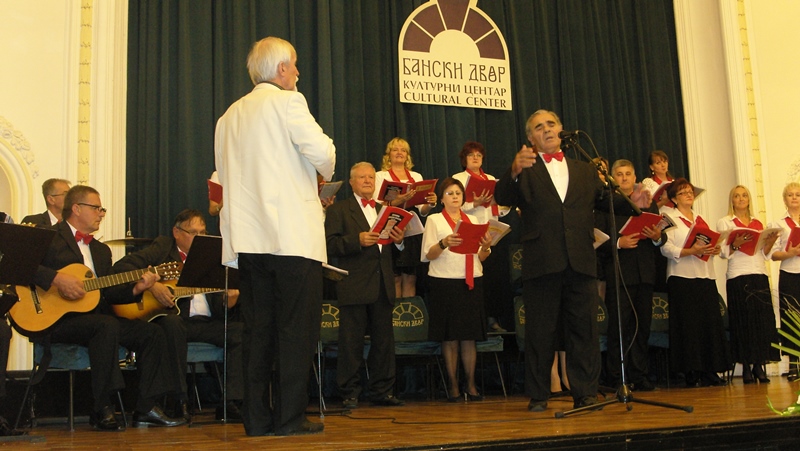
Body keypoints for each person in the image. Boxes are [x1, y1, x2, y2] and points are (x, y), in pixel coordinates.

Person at [214, 36, 335, 436]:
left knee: (257, 332)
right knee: (296, 332)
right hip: (292, 240)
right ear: (281, 69)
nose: (297, 72)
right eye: (294, 65)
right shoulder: (289, 102)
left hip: (249, 241)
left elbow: (223, 177)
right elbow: (324, 155)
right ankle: (289, 418)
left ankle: (256, 419)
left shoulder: (228, 116)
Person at [494, 109, 634, 412]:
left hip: (581, 259)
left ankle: (585, 393)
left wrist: (635, 203)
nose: (546, 129)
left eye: (551, 124)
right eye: (539, 127)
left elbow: (606, 200)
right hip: (542, 260)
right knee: (540, 331)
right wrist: (514, 169)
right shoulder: (525, 170)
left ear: (561, 129)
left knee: (584, 330)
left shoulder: (584, 170)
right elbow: (502, 195)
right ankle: (539, 394)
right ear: (530, 138)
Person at [30, 185, 186, 431]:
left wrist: (137, 288)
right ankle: (102, 406)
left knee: (152, 333)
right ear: (76, 208)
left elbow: (109, 294)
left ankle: (146, 407)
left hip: (97, 319)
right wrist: (56, 279)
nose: (101, 214)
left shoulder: (101, 251)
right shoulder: (49, 237)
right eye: (96, 208)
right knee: (106, 325)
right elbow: (21, 266)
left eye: (102, 209)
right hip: (56, 319)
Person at [107, 209, 244, 420]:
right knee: (172, 325)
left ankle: (231, 402)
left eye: (203, 232)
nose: (200, 237)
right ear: (176, 233)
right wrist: (152, 285)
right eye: (193, 232)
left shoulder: (212, 255)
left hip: (207, 322)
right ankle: (180, 400)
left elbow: (220, 306)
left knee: (240, 331)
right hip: (178, 321)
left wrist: (229, 301)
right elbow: (122, 267)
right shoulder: (163, 248)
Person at [325, 162, 406, 409]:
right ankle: (349, 392)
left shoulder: (385, 209)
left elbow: (392, 252)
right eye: (362, 177)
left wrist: (399, 241)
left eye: (371, 177)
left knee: (384, 343)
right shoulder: (339, 210)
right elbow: (328, 245)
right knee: (351, 343)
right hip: (354, 284)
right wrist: (356, 240)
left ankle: (383, 391)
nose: (368, 181)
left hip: (382, 284)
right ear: (351, 182)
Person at [422, 178, 492, 402]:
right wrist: (444, 243)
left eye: (458, 193)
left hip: (471, 280)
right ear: (441, 199)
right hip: (444, 282)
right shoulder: (434, 220)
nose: (455, 197)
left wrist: (486, 247)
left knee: (469, 336)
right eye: (450, 193)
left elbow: (480, 256)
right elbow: (428, 254)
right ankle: (452, 386)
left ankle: (470, 384)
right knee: (450, 337)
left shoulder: (473, 219)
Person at [596, 159, 664, 391]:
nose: (624, 178)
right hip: (619, 272)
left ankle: (639, 374)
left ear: (635, 177)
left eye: (628, 174)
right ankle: (616, 376)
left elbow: (661, 235)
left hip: (645, 272)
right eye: (620, 174)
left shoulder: (648, 202)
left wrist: (657, 236)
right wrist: (618, 242)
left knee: (641, 326)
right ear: (613, 178)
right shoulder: (605, 204)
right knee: (619, 327)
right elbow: (596, 238)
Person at [660, 178, 730, 387]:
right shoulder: (668, 218)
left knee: (709, 324)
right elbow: (666, 248)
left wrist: (714, 248)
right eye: (683, 192)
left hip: (705, 276)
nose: (689, 195)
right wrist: (691, 250)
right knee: (688, 326)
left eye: (690, 192)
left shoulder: (700, 219)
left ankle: (710, 370)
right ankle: (691, 371)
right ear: (674, 199)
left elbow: (709, 242)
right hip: (682, 277)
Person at [717, 185, 780, 384]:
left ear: (749, 199)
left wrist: (770, 241)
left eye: (744, 195)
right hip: (738, 275)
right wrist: (736, 243)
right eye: (737, 196)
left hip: (759, 273)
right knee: (742, 321)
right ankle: (745, 366)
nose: (741, 199)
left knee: (761, 322)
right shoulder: (725, 222)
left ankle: (759, 365)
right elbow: (722, 252)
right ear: (732, 200)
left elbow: (765, 254)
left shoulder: (757, 222)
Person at [452, 141, 510, 334]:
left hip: (491, 234)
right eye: (471, 155)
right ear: (464, 160)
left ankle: (492, 319)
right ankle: (475, 320)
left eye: (478, 155)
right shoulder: (458, 178)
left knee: (493, 279)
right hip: (471, 233)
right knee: (474, 278)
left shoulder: (491, 178)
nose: (475, 158)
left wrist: (502, 205)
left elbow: (498, 209)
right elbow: (455, 206)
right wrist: (474, 203)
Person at [375, 137, 437, 298]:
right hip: (390, 225)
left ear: (407, 155)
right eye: (395, 149)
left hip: (412, 228)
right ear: (388, 155)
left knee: (410, 277)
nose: (399, 153)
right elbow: (376, 206)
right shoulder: (380, 176)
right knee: (394, 277)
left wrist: (430, 203)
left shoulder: (416, 176)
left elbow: (422, 210)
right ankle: (395, 314)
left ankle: (408, 314)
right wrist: (396, 201)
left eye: (403, 150)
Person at [769, 182, 800, 382]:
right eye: (790, 194)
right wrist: (790, 253)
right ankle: (794, 364)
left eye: (798, 194)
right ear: (784, 199)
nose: (794, 197)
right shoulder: (778, 224)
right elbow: (773, 254)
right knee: (791, 318)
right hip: (790, 274)